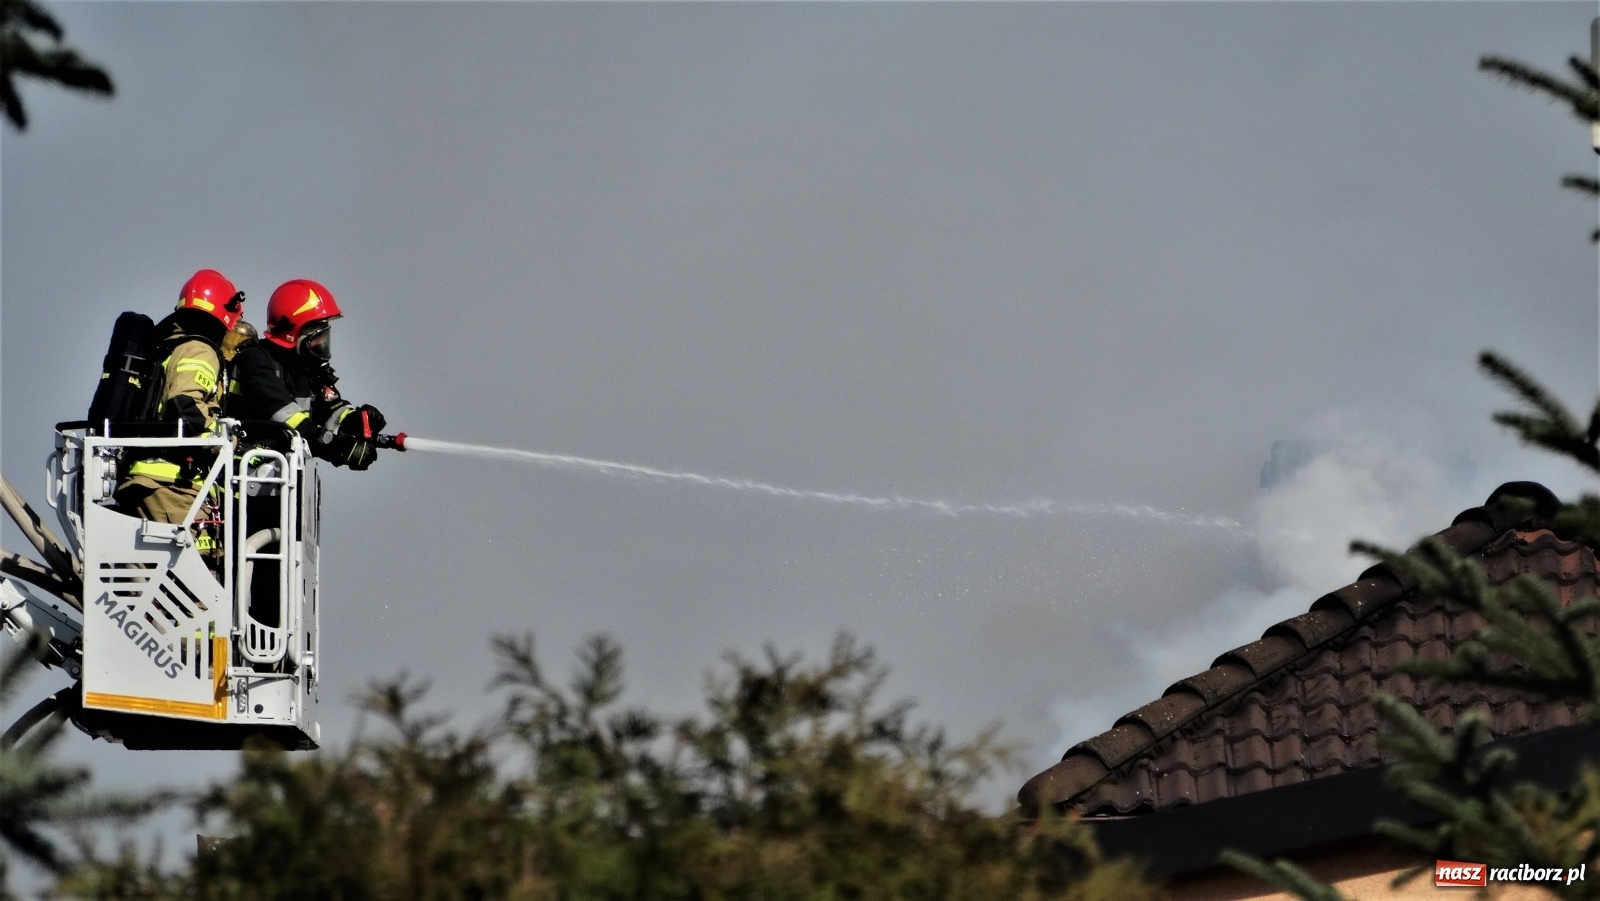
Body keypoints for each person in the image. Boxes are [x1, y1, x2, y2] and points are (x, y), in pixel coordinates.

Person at [113, 269, 245, 558]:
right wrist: (228, 440)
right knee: (191, 590)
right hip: (172, 485)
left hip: (150, 479)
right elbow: (186, 406)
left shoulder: (169, 346)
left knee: (153, 587)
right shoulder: (200, 350)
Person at [227, 278, 385, 470]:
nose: (322, 344)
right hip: (240, 478)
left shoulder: (303, 370)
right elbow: (286, 417)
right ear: (295, 335)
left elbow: (328, 411)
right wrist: (336, 448)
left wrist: (355, 421)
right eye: (317, 337)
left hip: (277, 482)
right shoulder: (256, 361)